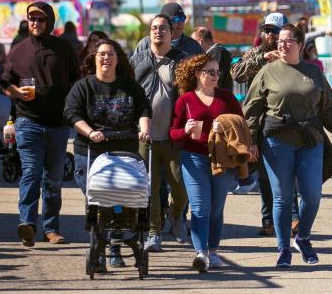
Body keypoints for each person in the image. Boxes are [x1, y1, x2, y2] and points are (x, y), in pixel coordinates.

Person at [243, 24, 332, 268]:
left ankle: (302, 237)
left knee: (312, 194)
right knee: (282, 197)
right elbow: (251, 109)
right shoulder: (268, 72)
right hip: (276, 141)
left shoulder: (313, 72)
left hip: (310, 140)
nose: (282, 44)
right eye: (280, 41)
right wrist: (250, 141)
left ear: (301, 45)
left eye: (288, 41)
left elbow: (329, 108)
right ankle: (283, 248)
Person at [65, 37, 152, 270]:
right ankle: (100, 249)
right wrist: (90, 132)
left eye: (110, 54)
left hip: (125, 152)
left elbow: (144, 108)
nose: (106, 58)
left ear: (117, 58)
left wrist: (144, 129)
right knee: (98, 201)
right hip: (91, 152)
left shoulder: (130, 87)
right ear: (94, 58)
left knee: (124, 202)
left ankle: (115, 246)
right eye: (101, 54)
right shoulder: (83, 87)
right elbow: (72, 114)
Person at [0, 2, 80, 246]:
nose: (36, 23)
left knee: (53, 181)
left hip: (57, 124)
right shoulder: (18, 50)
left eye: (41, 19)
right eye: (32, 19)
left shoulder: (64, 49)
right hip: (28, 122)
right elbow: (4, 82)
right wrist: (16, 91)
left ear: (50, 22)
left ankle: (51, 229)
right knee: (31, 174)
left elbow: (77, 84)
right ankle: (28, 225)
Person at [169, 53, 245, 272]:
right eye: (209, 72)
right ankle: (200, 253)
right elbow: (173, 133)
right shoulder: (186, 100)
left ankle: (213, 250)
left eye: (216, 72)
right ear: (197, 74)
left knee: (216, 209)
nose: (214, 76)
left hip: (222, 158)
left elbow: (241, 124)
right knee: (200, 208)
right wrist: (184, 130)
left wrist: (227, 126)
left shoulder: (227, 98)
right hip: (193, 158)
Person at [130, 14, 189, 251]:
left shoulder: (182, 60)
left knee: (180, 186)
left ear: (171, 32)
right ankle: (154, 232)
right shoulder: (136, 60)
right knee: (150, 187)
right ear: (149, 32)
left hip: (173, 135)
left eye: (163, 28)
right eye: (154, 28)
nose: (158, 32)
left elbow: (188, 95)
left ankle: (175, 214)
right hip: (145, 136)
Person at [231, 12, 286, 236]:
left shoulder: (289, 52)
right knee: (264, 175)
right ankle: (268, 220)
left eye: (275, 30)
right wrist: (262, 59)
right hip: (260, 122)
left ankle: (291, 219)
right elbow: (236, 73)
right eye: (267, 30)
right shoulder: (257, 52)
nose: (270, 34)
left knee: (286, 175)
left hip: (285, 121)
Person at [135, 2, 203, 57]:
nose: (180, 23)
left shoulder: (193, 46)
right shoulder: (145, 44)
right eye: (175, 19)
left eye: (182, 19)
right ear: (164, 21)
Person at [193, 27, 234, 92]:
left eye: (193, 42)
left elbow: (216, 80)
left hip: (220, 98)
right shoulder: (215, 53)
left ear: (199, 41)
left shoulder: (217, 53)